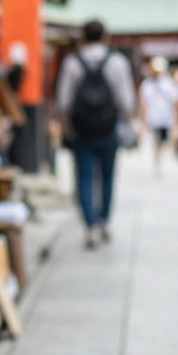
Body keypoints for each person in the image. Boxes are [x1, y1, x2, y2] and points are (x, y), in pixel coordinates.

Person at [56, 20, 134, 249]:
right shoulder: (117, 61)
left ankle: (90, 226)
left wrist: (65, 126)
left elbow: (63, 101)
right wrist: (127, 123)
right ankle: (104, 220)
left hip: (81, 130)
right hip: (109, 128)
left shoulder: (72, 63)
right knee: (108, 175)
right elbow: (126, 101)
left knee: (84, 177)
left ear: (83, 37)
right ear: (105, 36)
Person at [138, 56, 178, 176]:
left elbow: (176, 102)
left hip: (165, 118)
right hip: (154, 118)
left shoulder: (167, 83)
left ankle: (160, 159)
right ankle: (157, 161)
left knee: (164, 141)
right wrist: (142, 120)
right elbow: (143, 104)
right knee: (157, 141)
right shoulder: (147, 84)